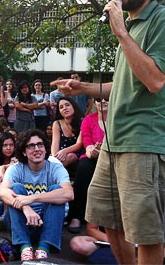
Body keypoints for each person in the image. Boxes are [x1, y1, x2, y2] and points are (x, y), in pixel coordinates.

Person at [52, 0, 165, 264]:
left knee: (146, 232)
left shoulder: (164, 21)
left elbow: (155, 81)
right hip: (114, 141)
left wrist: (122, 34)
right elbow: (127, 83)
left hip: (146, 140)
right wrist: (83, 87)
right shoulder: (129, 26)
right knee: (107, 221)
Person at [0, 129, 73, 261]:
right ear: (23, 152)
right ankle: (25, 248)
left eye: (40, 145)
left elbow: (68, 193)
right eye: (31, 146)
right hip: (21, 222)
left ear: (45, 149)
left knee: (56, 189)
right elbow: (2, 191)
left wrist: (31, 198)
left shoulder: (55, 167)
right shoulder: (16, 168)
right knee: (16, 188)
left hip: (48, 223)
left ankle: (43, 249)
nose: (37, 149)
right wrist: (26, 207)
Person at [67, 98, 108, 233]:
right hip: (92, 156)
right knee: (84, 168)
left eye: (107, 98)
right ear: (95, 103)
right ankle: (77, 216)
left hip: (113, 158)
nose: (103, 101)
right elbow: (87, 142)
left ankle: (105, 220)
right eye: (99, 99)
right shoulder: (89, 120)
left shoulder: (119, 120)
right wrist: (92, 152)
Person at [51, 97, 83, 170]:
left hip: (77, 153)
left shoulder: (83, 121)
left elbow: (79, 144)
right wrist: (54, 157)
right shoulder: (57, 123)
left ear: (73, 106)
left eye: (67, 105)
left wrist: (64, 151)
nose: (64, 108)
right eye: (61, 107)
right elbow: (55, 143)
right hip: (60, 154)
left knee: (70, 156)